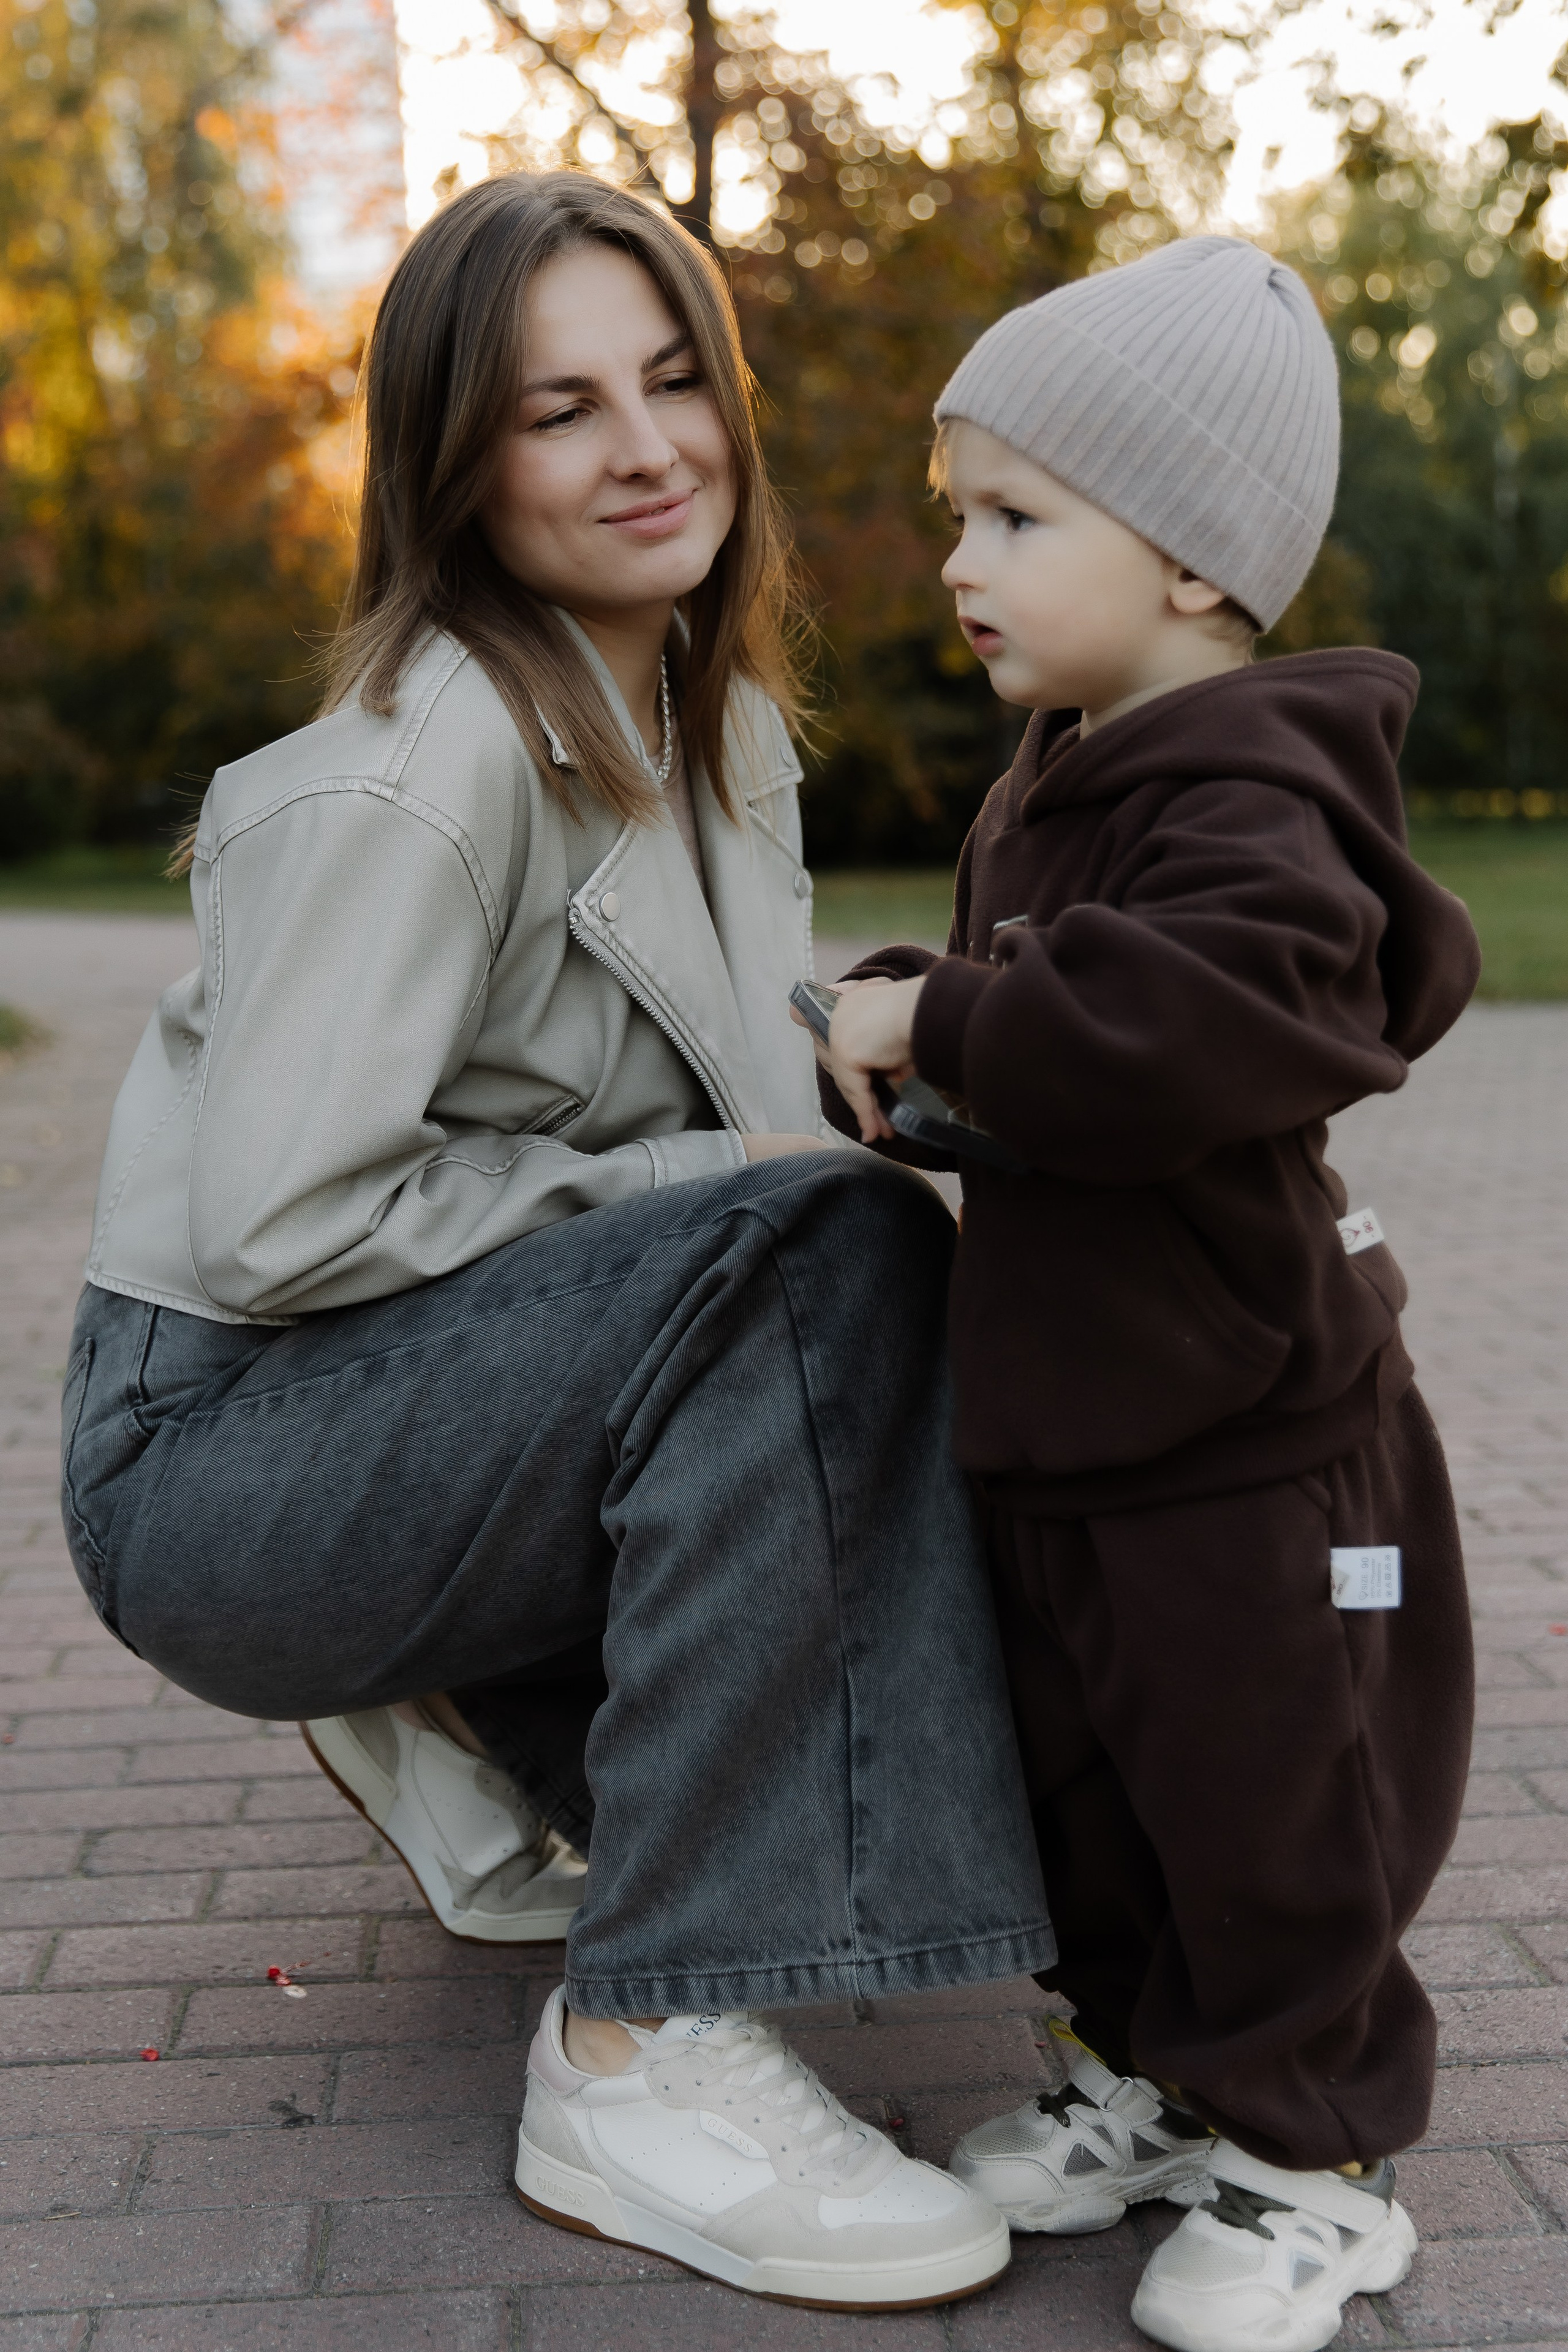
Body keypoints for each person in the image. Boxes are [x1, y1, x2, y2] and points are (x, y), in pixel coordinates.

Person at [59, 170, 1054, 2312]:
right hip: (219, 1453)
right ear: (454, 462)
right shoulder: (416, 771)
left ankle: (495, 1723)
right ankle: (642, 2050)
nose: (646, 448)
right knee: (822, 1262)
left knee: (849, 1251)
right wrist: (756, 1191)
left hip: (421, 1391)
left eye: (678, 381)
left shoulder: (725, 743)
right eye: (559, 410)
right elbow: (285, 1225)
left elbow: (719, 1128)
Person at [807, 235, 1480, 2352]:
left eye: (1016, 516)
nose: (961, 564)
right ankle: (1149, 2082)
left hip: (1245, 1439)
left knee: (1271, 1803)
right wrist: (924, 1063)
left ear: (1194, 561)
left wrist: (956, 1022)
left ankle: (1315, 2157)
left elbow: (1187, 1024)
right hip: (1083, 1420)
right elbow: (1048, 1069)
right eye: (958, 520)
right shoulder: (1065, 776)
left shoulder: (1260, 797)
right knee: (1093, 1782)